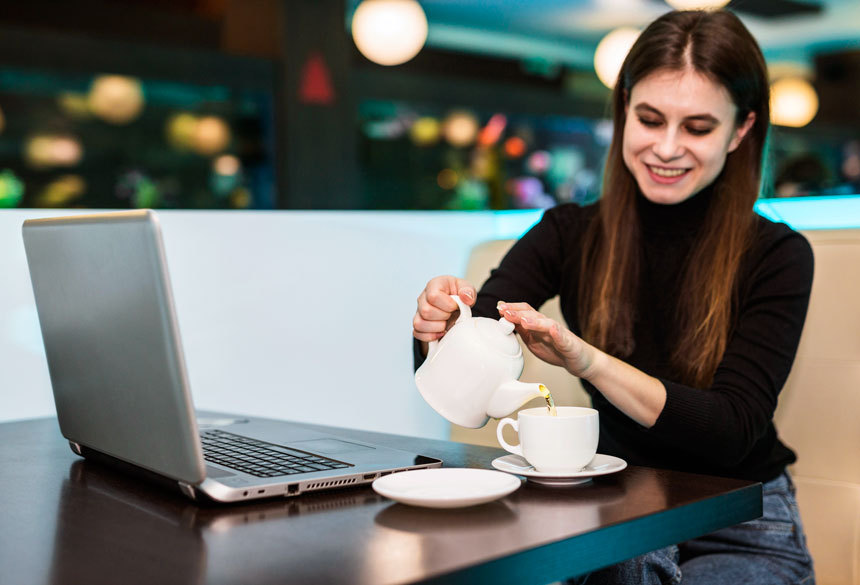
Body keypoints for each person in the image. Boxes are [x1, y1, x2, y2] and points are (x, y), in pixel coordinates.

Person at [412, 9, 816, 585]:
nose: (667, 148)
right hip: (618, 508)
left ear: (741, 130)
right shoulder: (567, 233)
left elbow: (730, 431)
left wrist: (589, 361)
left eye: (698, 128)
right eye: (650, 118)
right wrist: (438, 327)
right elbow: (468, 332)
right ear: (624, 107)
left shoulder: (777, 255)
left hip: (742, 525)